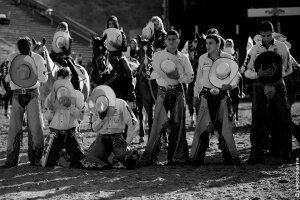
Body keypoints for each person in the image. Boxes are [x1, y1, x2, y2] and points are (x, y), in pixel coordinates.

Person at [138, 30, 194, 166]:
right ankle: (151, 157)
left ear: (178, 41)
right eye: (169, 39)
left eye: (174, 39)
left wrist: (179, 77)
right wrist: (166, 75)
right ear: (165, 41)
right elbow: (150, 74)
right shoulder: (157, 55)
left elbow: (190, 76)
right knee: (157, 123)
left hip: (178, 92)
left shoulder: (184, 58)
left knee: (178, 124)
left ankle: (177, 157)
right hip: (162, 91)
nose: (171, 41)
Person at [244, 21, 293, 164]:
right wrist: (258, 74)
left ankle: (287, 153)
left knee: (284, 119)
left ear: (273, 33)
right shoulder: (253, 50)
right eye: (264, 35)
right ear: (260, 34)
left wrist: (275, 74)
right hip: (259, 85)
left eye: (269, 35)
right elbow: (246, 71)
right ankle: (256, 154)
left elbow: (289, 68)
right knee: (258, 120)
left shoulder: (282, 47)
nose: (266, 38)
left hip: (278, 84)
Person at [190, 33, 241, 165]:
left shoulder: (228, 57)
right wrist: (195, 95)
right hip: (205, 96)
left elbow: (236, 76)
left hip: (223, 96)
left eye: (211, 43)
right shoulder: (202, 58)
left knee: (225, 128)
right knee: (201, 127)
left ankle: (231, 157)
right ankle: (197, 158)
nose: (207, 46)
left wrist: (231, 85)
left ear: (218, 44)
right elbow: (198, 79)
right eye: (206, 43)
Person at [1, 37, 48, 168]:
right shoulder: (38, 59)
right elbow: (44, 77)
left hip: (18, 93)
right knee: (35, 127)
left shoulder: (12, 57)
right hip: (32, 93)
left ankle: (11, 160)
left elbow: (7, 77)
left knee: (15, 127)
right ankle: (36, 159)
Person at [79, 85, 139, 170]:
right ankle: (111, 162)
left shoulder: (120, 103)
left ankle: (108, 161)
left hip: (117, 138)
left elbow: (133, 121)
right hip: (102, 138)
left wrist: (127, 141)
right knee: (88, 159)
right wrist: (100, 118)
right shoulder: (95, 107)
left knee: (130, 159)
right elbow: (94, 128)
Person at [41, 67, 85, 167]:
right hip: (55, 134)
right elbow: (48, 117)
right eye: (61, 81)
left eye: (66, 81)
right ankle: (62, 155)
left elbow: (81, 117)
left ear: (70, 79)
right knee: (47, 163)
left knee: (79, 162)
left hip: (71, 134)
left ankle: (64, 155)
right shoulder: (50, 96)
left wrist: (69, 106)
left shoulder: (78, 95)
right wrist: (51, 110)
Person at [104, 15, 135, 103]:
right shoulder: (105, 33)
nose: (111, 25)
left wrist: (116, 46)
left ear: (116, 24)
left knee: (128, 71)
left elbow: (124, 48)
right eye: (109, 24)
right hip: (108, 55)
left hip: (119, 55)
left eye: (112, 23)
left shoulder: (121, 33)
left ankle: (131, 91)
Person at [49, 21, 81, 91]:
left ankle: (77, 88)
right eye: (61, 28)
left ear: (66, 30)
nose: (62, 30)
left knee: (74, 72)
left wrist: (63, 47)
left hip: (65, 57)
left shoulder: (69, 39)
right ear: (58, 29)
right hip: (54, 56)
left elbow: (68, 52)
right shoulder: (55, 37)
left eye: (64, 29)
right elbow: (53, 49)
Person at [224, 38, 245, 126]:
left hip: (233, 71)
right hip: (224, 71)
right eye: (227, 44)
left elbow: (235, 62)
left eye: (230, 44)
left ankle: (240, 92)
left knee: (240, 77)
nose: (228, 45)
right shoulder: (222, 52)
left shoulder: (234, 52)